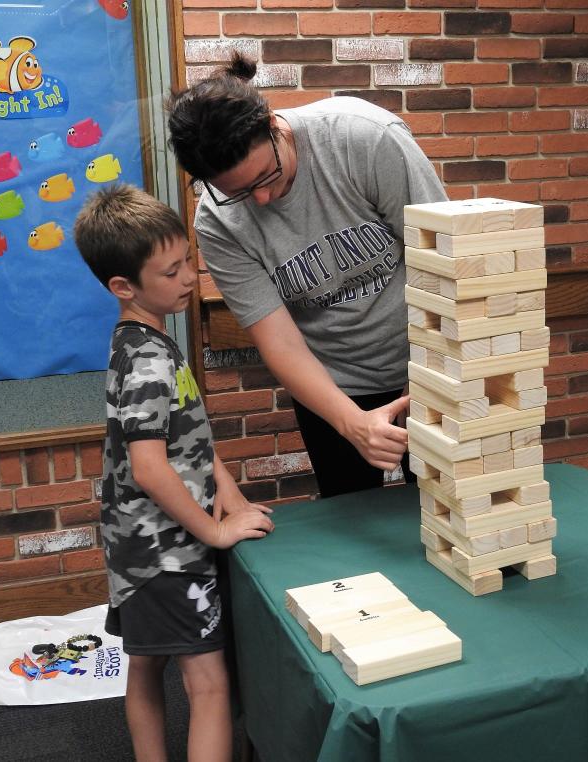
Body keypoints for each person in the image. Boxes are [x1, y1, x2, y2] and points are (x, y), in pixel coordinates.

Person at [166, 53, 449, 498]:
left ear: (274, 125)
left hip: (429, 364)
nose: (260, 199)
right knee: (353, 525)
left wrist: (433, 375)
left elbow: (441, 262)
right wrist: (352, 424)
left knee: (448, 506)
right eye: (237, 192)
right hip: (332, 385)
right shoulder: (217, 225)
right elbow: (280, 341)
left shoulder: (365, 139)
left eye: (267, 175)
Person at [74, 184, 275, 762]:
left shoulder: (142, 339)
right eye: (171, 270)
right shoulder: (149, 359)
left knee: (145, 663)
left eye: (188, 259)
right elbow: (149, 466)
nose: (189, 276)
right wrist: (213, 532)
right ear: (123, 286)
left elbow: (189, 439)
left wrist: (232, 498)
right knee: (209, 684)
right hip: (166, 554)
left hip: (137, 550)